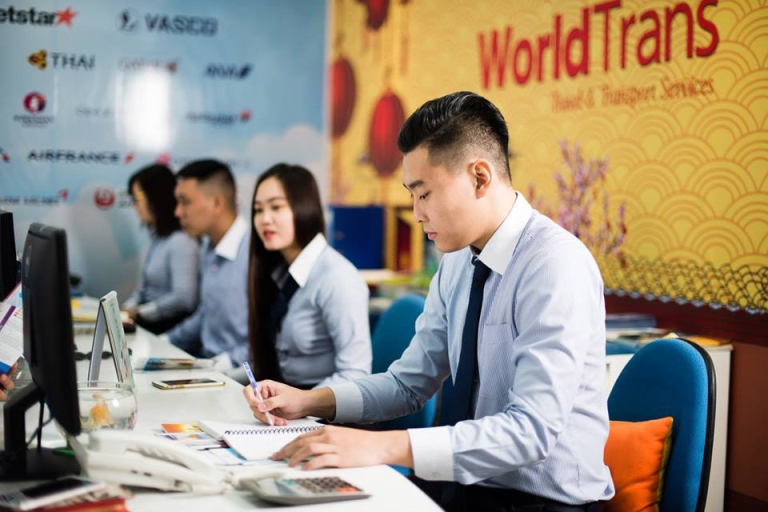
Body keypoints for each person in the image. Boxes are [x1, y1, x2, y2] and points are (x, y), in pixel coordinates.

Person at [243, 92, 614, 511]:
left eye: (424, 195)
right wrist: (309, 400)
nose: (417, 214)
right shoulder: (456, 262)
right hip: (462, 486)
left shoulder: (554, 264)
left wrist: (380, 446)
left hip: (541, 502)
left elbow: (531, 433)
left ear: (480, 178)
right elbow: (408, 384)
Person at [248, 163, 371, 389]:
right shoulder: (279, 272)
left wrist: (301, 403)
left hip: (321, 404)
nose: (265, 219)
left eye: (276, 207)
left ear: (304, 207)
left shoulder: (338, 277)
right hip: (286, 398)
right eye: (258, 210)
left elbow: (356, 374)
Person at [164, 160, 250, 371]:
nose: (178, 212)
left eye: (185, 202)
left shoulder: (255, 254)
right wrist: (164, 341)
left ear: (217, 204)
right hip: (210, 365)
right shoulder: (210, 248)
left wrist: (215, 367)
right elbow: (207, 314)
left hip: (240, 375)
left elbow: (271, 339)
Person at [123, 164, 200, 334]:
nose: (135, 206)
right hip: (148, 322)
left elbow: (184, 299)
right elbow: (143, 289)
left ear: (156, 196)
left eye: (138, 197)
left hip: (167, 328)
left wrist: (139, 312)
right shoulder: (157, 239)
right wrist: (125, 309)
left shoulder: (182, 241)